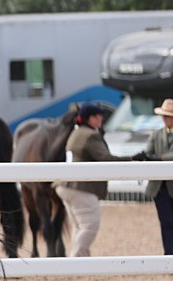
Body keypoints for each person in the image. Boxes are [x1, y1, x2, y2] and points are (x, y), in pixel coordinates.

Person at [52, 102, 130, 257]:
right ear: (89, 118)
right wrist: (132, 159)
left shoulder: (77, 132)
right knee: (90, 225)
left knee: (78, 225)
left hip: (65, 186)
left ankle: (81, 260)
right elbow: (106, 159)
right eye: (97, 116)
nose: (100, 118)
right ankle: (77, 259)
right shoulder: (91, 135)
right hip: (80, 187)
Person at [136, 98, 173, 254]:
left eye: (168, 115)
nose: (165, 119)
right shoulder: (156, 134)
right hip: (159, 186)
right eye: (164, 115)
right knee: (167, 221)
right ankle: (169, 255)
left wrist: (157, 158)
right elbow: (148, 151)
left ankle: (171, 254)